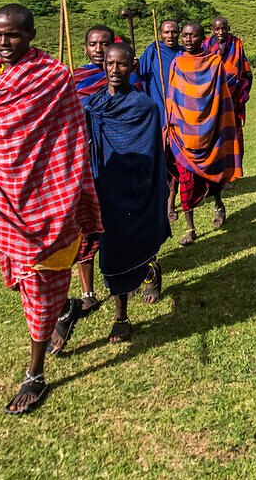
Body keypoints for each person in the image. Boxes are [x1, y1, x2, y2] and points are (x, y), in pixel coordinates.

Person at [0, 4, 102, 414]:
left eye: (12, 35)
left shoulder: (52, 77)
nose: (3, 43)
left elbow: (69, 137)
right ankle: (64, 308)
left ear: (32, 35)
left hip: (48, 197)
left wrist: (60, 189)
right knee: (27, 280)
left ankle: (35, 374)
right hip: (3, 199)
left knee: (40, 282)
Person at [77, 43, 171, 343]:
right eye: (109, 64)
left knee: (132, 246)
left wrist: (132, 180)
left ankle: (135, 296)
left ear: (132, 66)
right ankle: (118, 313)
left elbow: (148, 154)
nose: (114, 70)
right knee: (109, 253)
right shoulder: (93, 104)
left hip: (132, 189)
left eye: (121, 65)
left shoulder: (144, 107)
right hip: (101, 186)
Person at [66, 25, 143, 321]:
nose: (98, 49)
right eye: (93, 44)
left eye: (105, 44)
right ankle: (87, 292)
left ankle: (132, 275)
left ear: (114, 46)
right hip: (84, 163)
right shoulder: (74, 79)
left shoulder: (129, 79)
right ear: (85, 48)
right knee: (85, 227)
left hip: (120, 162)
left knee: (120, 226)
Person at [165, 22, 241, 244]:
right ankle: (190, 228)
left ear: (202, 38)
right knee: (186, 180)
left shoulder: (214, 62)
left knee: (213, 175)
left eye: (193, 36)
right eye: (185, 35)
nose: (188, 39)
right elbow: (172, 95)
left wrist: (216, 123)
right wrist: (171, 123)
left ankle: (218, 204)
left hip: (210, 128)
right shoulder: (177, 63)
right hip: (183, 132)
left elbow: (221, 95)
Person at [138, 19, 184, 219]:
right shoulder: (153, 51)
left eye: (174, 32)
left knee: (177, 160)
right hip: (158, 114)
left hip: (181, 115)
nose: (170, 36)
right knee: (161, 161)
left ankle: (172, 201)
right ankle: (163, 201)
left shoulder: (183, 53)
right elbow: (139, 75)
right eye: (166, 32)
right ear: (160, 33)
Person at [204, 16, 253, 164]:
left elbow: (246, 73)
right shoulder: (205, 45)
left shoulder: (237, 44)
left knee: (233, 136)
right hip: (211, 100)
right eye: (217, 29)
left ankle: (231, 173)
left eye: (224, 28)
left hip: (233, 100)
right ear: (212, 30)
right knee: (212, 136)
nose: (220, 32)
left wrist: (241, 95)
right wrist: (218, 54)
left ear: (228, 28)